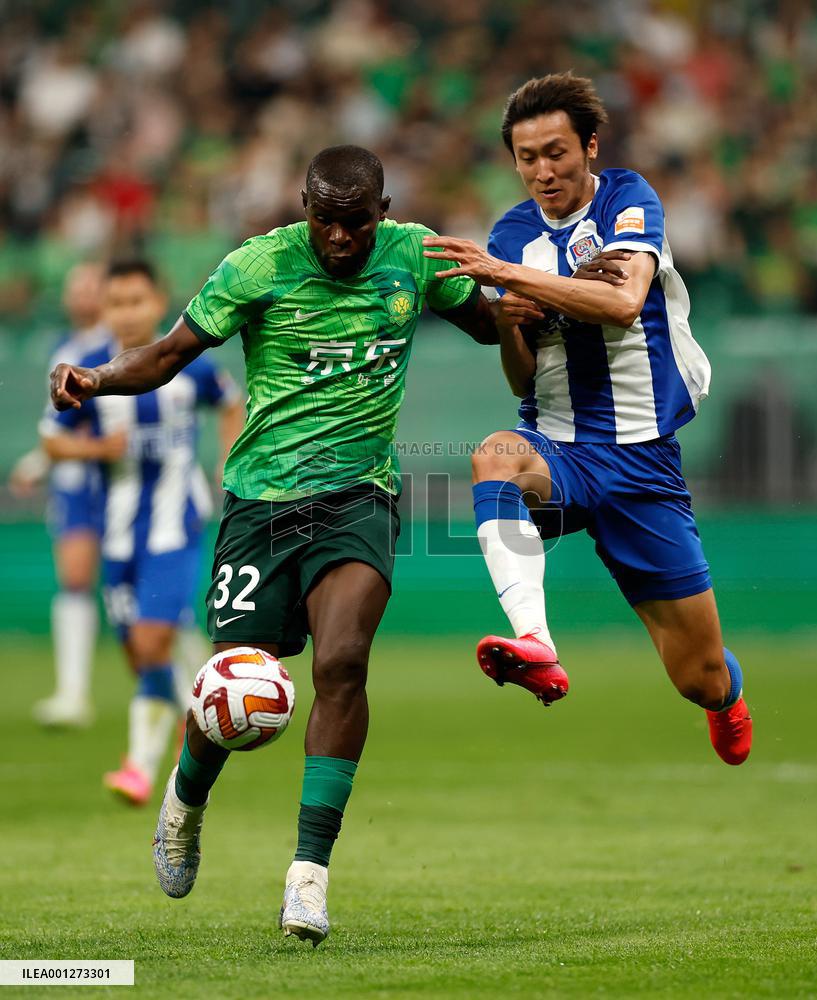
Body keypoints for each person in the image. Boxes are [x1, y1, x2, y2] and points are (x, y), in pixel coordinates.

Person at [48, 145, 500, 945]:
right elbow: (170, 354)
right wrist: (97, 381)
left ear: (383, 211)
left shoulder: (416, 258)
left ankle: (307, 879)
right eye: (323, 220)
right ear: (303, 206)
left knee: (340, 664)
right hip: (260, 504)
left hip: (359, 496)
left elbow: (493, 325)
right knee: (234, 690)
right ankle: (184, 803)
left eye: (355, 222)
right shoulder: (258, 265)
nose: (337, 238)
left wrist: (552, 305)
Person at [423, 72, 752, 767]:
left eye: (555, 152)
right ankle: (536, 644)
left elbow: (625, 302)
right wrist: (511, 324)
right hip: (559, 446)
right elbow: (519, 373)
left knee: (698, 677)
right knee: (492, 456)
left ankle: (727, 695)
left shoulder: (628, 199)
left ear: (589, 147)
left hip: (641, 460)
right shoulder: (509, 235)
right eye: (526, 157)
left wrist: (506, 279)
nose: (542, 171)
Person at [41, 259, 243, 805]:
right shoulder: (87, 367)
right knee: (139, 655)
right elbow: (52, 440)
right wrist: (93, 448)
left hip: (174, 526)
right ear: (102, 309)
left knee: (153, 642)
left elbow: (231, 403)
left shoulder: (189, 366)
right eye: (116, 303)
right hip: (118, 533)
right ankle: (193, 718)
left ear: (159, 304)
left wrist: (227, 462)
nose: (126, 313)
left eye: (136, 301)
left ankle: (139, 768)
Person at [10, 263, 109, 727]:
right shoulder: (64, 349)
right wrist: (38, 461)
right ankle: (72, 692)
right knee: (75, 579)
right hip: (75, 483)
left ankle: (188, 683)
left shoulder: (118, 347)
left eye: (90, 285)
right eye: (75, 287)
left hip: (121, 479)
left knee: (143, 591)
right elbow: (57, 426)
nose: (81, 295)